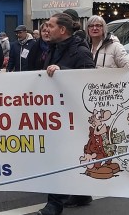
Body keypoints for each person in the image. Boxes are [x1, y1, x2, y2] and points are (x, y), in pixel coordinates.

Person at [38, 13, 96, 215]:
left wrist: (62, 70)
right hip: (57, 113)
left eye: (51, 26)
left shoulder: (79, 51)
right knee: (59, 157)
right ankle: (70, 197)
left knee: (64, 157)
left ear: (62, 30)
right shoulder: (52, 49)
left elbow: (90, 80)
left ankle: (54, 204)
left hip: (73, 116)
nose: (47, 29)